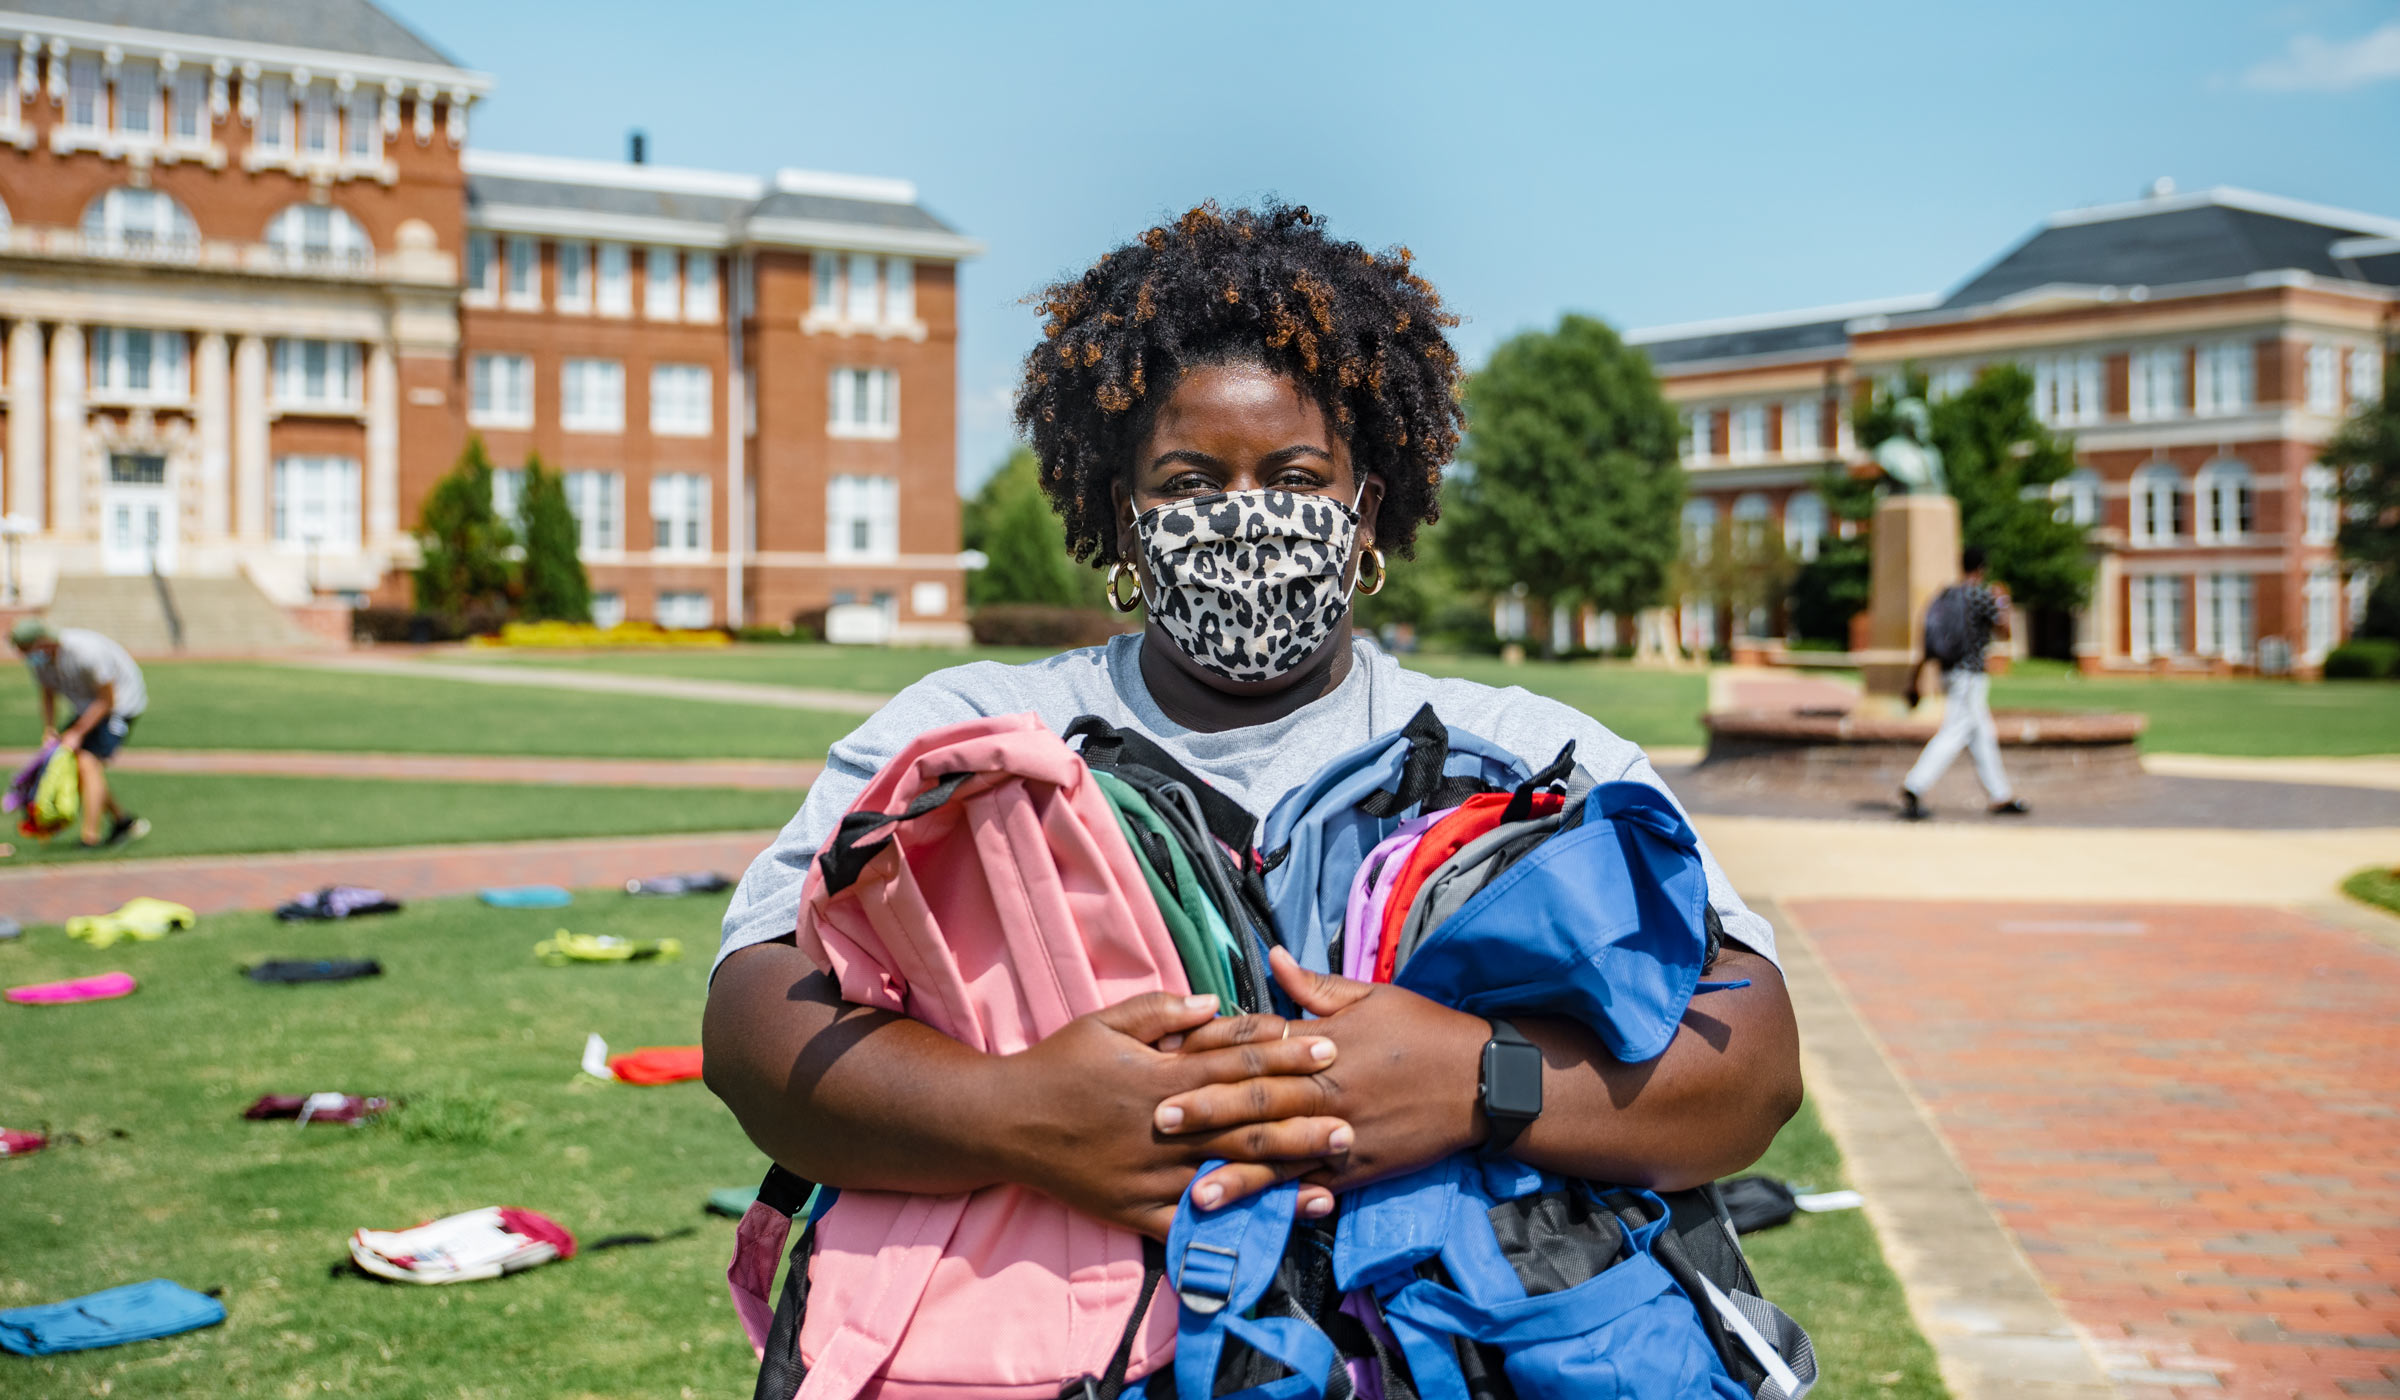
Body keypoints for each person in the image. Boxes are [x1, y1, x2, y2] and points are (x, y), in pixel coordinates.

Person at [704, 202, 1799, 1253]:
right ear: (1121, 520)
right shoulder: (969, 730)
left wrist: (1480, 1079)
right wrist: (1016, 1113)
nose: (1244, 513)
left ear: (1366, 509)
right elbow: (753, 1014)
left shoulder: (1538, 756)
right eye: (1187, 482)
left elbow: (1755, 1064)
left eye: (1294, 476)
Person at [1899, 545, 2031, 820]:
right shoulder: (1981, 596)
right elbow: (2005, 631)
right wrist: (2002, 600)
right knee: (1955, 730)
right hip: (1969, 675)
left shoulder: (1945, 595)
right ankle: (1915, 785)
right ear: (1982, 568)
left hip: (1946, 672)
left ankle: (2000, 795)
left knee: (1982, 733)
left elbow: (1926, 641)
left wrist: (1915, 678)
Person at [11, 617, 150, 848]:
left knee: (86, 761)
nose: (27, 657)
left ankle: (90, 837)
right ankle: (121, 821)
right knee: (69, 760)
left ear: (43, 642)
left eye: (28, 650)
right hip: (88, 706)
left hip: (120, 705)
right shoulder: (40, 661)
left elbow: (107, 700)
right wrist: (50, 729)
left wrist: (76, 732)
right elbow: (47, 693)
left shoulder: (85, 652)